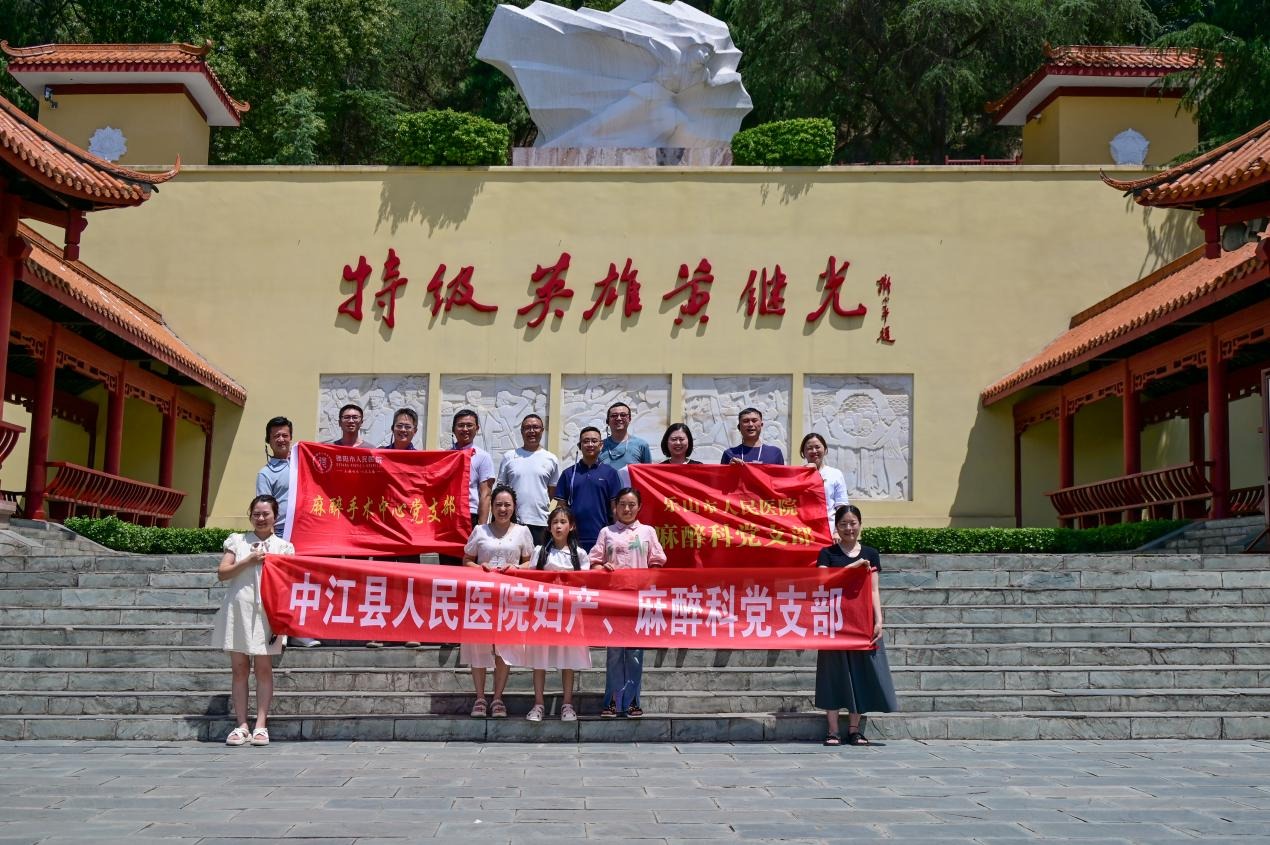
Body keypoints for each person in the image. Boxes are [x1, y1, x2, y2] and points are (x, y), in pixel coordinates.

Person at [212, 495, 294, 747]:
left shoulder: (284, 547)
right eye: (256, 514)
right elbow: (222, 573)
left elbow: (289, 582)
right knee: (239, 669)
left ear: (275, 517)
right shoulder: (237, 541)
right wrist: (248, 560)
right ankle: (241, 725)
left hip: (268, 614)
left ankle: (260, 725)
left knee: (263, 668)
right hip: (238, 610)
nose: (260, 518)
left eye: (265, 514)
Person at [814, 505, 896, 747]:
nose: (849, 528)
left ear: (860, 524)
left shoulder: (871, 553)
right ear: (836, 527)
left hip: (861, 622)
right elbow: (823, 581)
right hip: (834, 622)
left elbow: (873, 590)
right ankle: (832, 731)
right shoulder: (827, 553)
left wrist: (879, 620)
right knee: (832, 675)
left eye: (853, 523)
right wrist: (853, 567)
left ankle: (854, 730)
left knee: (860, 674)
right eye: (843, 524)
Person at [589, 488, 666, 718]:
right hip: (613, 600)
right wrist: (602, 567)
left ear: (639, 507)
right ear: (615, 507)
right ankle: (612, 701)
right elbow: (594, 562)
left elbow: (657, 561)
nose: (627, 509)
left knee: (634, 652)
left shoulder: (647, 531)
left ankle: (632, 701)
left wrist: (648, 581)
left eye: (632, 504)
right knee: (614, 652)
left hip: (637, 601)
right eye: (622, 504)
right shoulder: (606, 532)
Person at [462, 485, 534, 719]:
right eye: (498, 505)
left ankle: (497, 698)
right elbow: (466, 560)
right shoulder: (480, 530)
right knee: (479, 646)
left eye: (507, 505)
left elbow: (530, 563)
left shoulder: (523, 532)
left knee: (505, 647)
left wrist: (516, 568)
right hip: (481, 598)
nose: (503, 509)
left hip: (510, 598)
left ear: (514, 507)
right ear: (491, 507)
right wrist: (479, 567)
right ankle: (480, 698)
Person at [517, 506, 590, 723]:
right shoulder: (540, 552)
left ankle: (567, 704)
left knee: (568, 659)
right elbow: (530, 578)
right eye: (555, 522)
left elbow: (587, 583)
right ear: (549, 527)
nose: (558, 526)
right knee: (539, 659)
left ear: (571, 526)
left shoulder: (579, 554)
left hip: (569, 614)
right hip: (543, 613)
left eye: (563, 522)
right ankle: (538, 703)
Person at [254, 417, 319, 648]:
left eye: (285, 435)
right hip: (281, 533)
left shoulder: (304, 464)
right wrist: (270, 539)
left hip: (307, 532)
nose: (281, 439)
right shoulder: (265, 474)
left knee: (303, 581)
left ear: (291, 437)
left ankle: (300, 631)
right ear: (268, 440)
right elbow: (264, 510)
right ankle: (281, 632)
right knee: (281, 584)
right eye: (276, 436)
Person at [496, 414, 561, 545]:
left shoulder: (551, 459)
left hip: (540, 521)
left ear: (542, 430)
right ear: (521, 431)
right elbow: (500, 491)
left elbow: (552, 492)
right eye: (527, 427)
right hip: (512, 521)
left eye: (535, 427)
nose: (532, 431)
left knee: (537, 557)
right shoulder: (509, 457)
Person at [555, 426, 622, 551]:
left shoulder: (610, 473)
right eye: (586, 441)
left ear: (601, 445)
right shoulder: (569, 474)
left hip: (602, 537)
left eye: (594, 441)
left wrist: (619, 535)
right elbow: (560, 508)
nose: (590, 444)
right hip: (573, 538)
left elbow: (615, 509)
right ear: (580, 446)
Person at [450, 408, 495, 528]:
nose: (465, 429)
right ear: (453, 429)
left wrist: (482, 527)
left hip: (470, 514)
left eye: (469, 425)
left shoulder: (483, 457)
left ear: (477, 428)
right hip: (447, 511)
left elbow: (486, 494)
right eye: (461, 425)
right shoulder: (446, 456)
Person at [801, 432, 849, 534]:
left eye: (817, 447)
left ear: (825, 449)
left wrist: (837, 531)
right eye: (809, 448)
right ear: (803, 452)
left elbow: (841, 506)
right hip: (803, 531)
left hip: (828, 531)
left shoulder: (835, 474)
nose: (814, 451)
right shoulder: (797, 474)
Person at [720, 407, 785, 465]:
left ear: (761, 425)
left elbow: (782, 475)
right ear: (739, 427)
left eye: (754, 420)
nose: (750, 424)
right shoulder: (729, 454)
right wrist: (729, 469)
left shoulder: (775, 453)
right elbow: (721, 475)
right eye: (746, 421)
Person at [599, 401, 652, 471]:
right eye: (614, 415)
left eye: (623, 415)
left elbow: (648, 473)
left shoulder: (641, 445)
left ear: (629, 419)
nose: (618, 418)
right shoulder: (599, 446)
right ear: (607, 421)